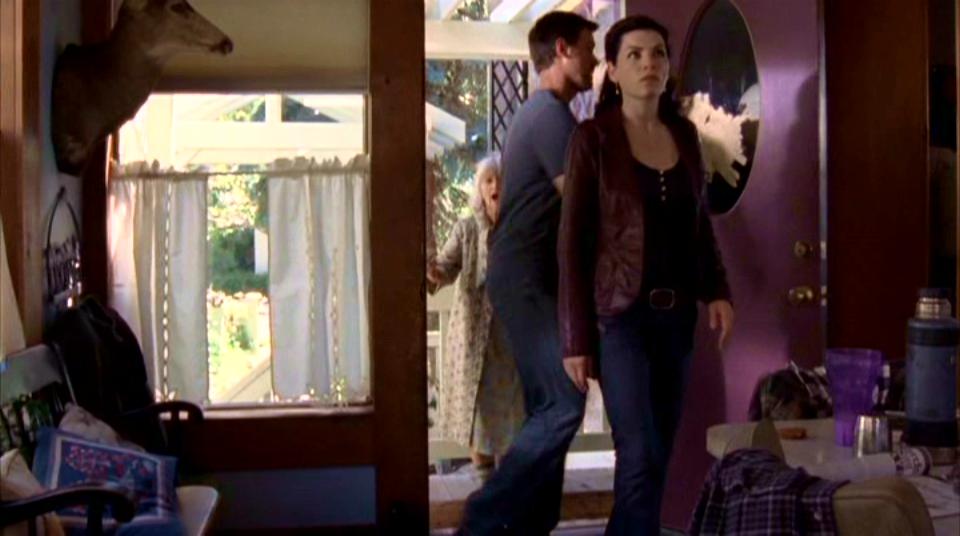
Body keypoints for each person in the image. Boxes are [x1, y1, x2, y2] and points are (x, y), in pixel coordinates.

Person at [558, 15, 735, 535]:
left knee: (658, 456)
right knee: (637, 454)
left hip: (676, 318)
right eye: (633, 55)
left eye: (657, 53)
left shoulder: (684, 135)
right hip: (621, 320)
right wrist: (575, 337)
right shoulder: (593, 139)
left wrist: (718, 290)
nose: (648, 64)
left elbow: (700, 225)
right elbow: (572, 244)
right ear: (612, 70)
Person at [458, 11, 599, 536]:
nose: (595, 59)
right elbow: (584, 203)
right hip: (525, 277)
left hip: (528, 276)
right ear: (562, 49)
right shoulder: (548, 116)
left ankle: (533, 523)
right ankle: (484, 514)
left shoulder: (545, 114)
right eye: (589, 48)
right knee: (565, 401)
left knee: (547, 404)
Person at [427, 155, 525, 481]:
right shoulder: (466, 230)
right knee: (478, 419)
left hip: (512, 343)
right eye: (488, 180)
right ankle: (486, 491)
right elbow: (444, 269)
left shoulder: (523, 227)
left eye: (501, 179)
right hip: (473, 343)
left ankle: (505, 496)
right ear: (480, 189)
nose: (495, 186)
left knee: (513, 421)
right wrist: (433, 269)